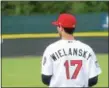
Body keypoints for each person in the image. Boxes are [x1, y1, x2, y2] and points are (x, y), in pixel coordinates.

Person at [41, 13, 102, 87]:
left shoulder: (51, 49)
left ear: (61, 28)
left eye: (57, 26)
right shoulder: (87, 49)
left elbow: (45, 79)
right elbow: (93, 80)